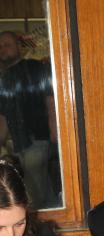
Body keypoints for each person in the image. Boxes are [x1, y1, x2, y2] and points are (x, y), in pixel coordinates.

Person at [0, 31, 59, 209]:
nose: (3, 49)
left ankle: (41, 221)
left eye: (7, 45)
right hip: (20, 143)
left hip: (38, 137)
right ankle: (52, 219)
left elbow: (50, 98)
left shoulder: (34, 67)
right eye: (0, 47)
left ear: (19, 47)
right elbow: (4, 115)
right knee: (41, 188)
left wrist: (54, 128)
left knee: (33, 191)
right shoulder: (4, 78)